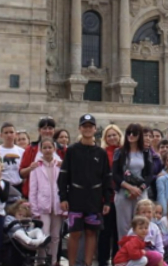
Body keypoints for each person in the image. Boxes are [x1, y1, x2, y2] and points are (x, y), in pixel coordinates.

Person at [58, 113, 113, 266]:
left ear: (95, 129)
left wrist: (107, 200)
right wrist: (63, 197)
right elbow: (63, 175)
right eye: (85, 126)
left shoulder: (101, 153)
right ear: (80, 128)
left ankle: (88, 264)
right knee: (74, 233)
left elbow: (106, 178)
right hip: (76, 196)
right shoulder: (72, 150)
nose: (88, 129)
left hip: (94, 198)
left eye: (90, 126)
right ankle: (72, 264)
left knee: (91, 232)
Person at [113, 123, 155, 239]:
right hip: (123, 191)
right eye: (128, 133)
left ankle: (141, 252)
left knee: (142, 223)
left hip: (141, 192)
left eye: (134, 133)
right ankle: (125, 254)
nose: (131, 135)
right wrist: (129, 187)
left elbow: (149, 174)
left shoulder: (146, 153)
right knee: (124, 226)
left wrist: (140, 188)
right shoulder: (119, 152)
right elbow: (115, 173)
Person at [29, 137, 66, 261]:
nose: (47, 150)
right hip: (42, 207)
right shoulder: (36, 166)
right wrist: (34, 210)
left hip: (57, 206)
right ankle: (41, 260)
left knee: (56, 236)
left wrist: (65, 207)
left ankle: (53, 260)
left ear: (54, 149)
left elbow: (66, 186)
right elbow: (33, 190)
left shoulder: (60, 165)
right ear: (40, 150)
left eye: (50, 147)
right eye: (44, 148)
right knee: (44, 235)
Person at [21, 116, 65, 198]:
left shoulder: (62, 150)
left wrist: (64, 166)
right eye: (44, 128)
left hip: (58, 196)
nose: (47, 131)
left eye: (50, 128)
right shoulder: (30, 149)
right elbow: (22, 173)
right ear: (39, 130)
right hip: (33, 195)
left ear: (54, 130)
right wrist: (30, 168)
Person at [99, 124, 124, 266]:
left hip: (122, 196)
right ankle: (103, 261)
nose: (112, 137)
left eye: (115, 135)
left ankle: (116, 260)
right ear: (105, 138)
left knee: (118, 231)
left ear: (119, 136)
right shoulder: (102, 153)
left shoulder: (123, 152)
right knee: (105, 232)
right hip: (106, 197)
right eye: (109, 135)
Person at [127, 199, 165, 266]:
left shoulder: (155, 228)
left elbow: (159, 245)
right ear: (138, 213)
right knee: (155, 256)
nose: (146, 215)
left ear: (153, 213)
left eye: (149, 212)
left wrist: (160, 256)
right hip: (139, 257)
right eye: (143, 212)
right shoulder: (133, 230)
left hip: (154, 257)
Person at [0, 122, 25, 193]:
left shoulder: (22, 151)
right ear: (1, 135)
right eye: (6, 133)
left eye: (11, 132)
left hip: (18, 186)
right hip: (2, 186)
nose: (9, 135)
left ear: (15, 134)